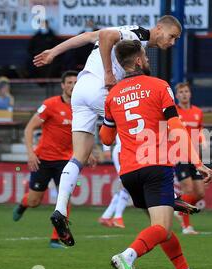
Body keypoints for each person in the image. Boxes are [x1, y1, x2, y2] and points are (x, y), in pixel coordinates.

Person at [32, 16, 184, 245]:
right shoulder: (139, 34)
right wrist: (108, 73)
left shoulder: (129, 35)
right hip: (100, 89)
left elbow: (86, 37)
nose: (172, 42)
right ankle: (163, 195)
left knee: (79, 156)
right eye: (172, 36)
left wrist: (54, 52)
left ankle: (60, 209)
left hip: (81, 91)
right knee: (137, 129)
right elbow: (105, 36)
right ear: (159, 28)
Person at [100, 40, 212, 269]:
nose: (148, 59)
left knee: (161, 230)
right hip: (155, 166)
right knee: (161, 228)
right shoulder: (159, 86)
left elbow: (106, 139)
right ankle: (127, 257)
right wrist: (197, 162)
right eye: (146, 56)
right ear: (139, 60)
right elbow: (176, 128)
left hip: (129, 172)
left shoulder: (113, 95)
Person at [11, 71, 89, 249]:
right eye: (69, 82)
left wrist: (88, 151)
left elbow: (84, 134)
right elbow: (29, 128)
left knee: (65, 198)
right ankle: (24, 204)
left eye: (76, 82)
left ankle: (56, 239)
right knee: (34, 201)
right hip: (43, 160)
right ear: (62, 85)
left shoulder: (81, 107)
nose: (73, 85)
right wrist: (31, 153)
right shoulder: (50, 105)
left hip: (65, 161)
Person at [173, 82, 206, 235]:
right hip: (179, 155)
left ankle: (180, 210)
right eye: (181, 92)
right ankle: (186, 227)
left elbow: (199, 133)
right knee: (188, 189)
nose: (184, 94)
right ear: (177, 95)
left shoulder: (198, 112)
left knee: (199, 193)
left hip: (194, 157)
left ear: (190, 93)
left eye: (186, 91)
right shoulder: (173, 112)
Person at [98, 135, 129, 228]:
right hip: (122, 150)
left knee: (127, 184)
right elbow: (108, 126)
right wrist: (106, 148)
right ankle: (117, 217)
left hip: (128, 150)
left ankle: (107, 216)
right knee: (127, 183)